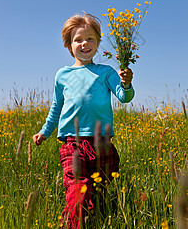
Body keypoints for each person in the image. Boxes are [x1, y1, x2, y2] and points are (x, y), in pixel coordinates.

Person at [33, 13, 134, 228]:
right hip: (73, 143)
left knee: (100, 191)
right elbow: (56, 108)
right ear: (69, 45)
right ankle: (74, 224)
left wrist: (126, 83)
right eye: (78, 39)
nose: (84, 43)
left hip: (102, 143)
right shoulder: (62, 75)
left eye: (90, 39)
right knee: (77, 189)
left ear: (97, 43)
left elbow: (124, 98)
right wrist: (44, 132)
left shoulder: (106, 72)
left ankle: (97, 220)